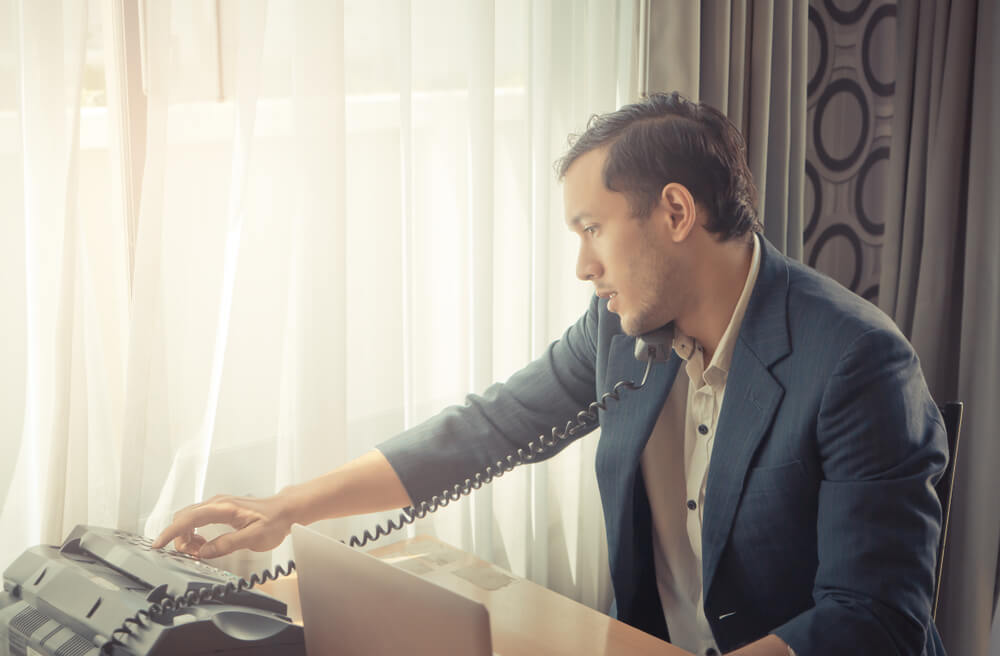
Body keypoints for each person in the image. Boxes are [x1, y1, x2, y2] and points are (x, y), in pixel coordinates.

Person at [153, 92, 948, 656]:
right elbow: (487, 429)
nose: (582, 266)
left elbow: (872, 619)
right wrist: (289, 508)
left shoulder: (858, 364)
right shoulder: (620, 330)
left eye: (592, 229)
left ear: (676, 214)